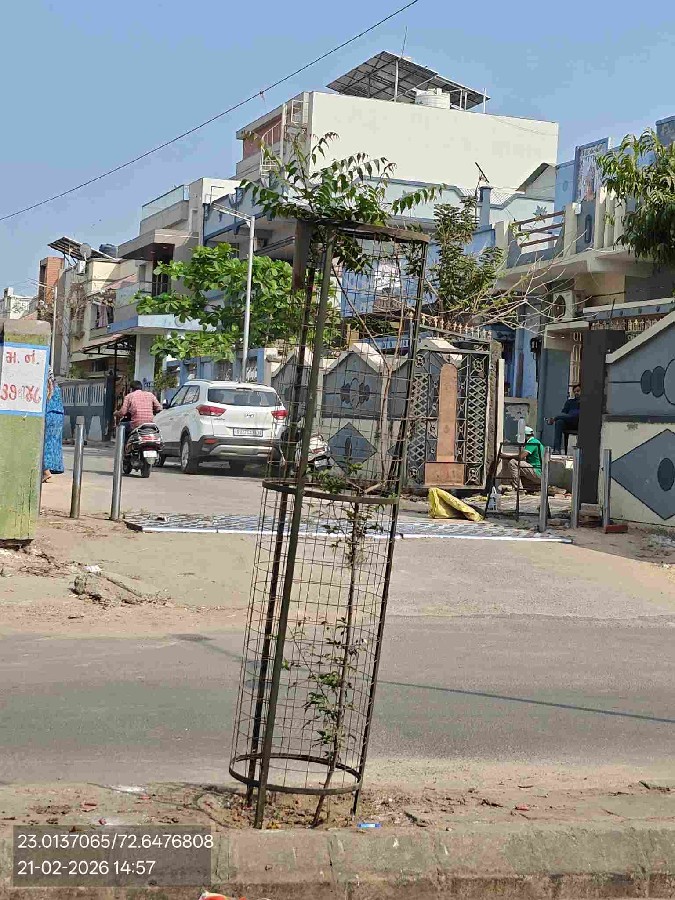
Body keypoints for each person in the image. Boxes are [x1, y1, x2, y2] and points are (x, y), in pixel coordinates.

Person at [506, 426, 545, 493]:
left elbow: (521, 456)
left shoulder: (532, 442)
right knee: (518, 468)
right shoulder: (535, 442)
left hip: (537, 471)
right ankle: (532, 487)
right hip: (539, 472)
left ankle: (519, 490)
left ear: (525, 436)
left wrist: (506, 456)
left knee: (513, 463)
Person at [43, 369, 65, 482]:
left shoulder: (46, 388)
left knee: (45, 443)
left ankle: (46, 471)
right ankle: (54, 467)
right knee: (54, 442)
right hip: (58, 417)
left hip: (48, 415)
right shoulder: (57, 388)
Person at [548, 385, 581, 454]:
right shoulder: (570, 402)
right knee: (559, 422)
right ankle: (557, 449)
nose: (576, 393)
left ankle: (554, 418)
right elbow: (563, 413)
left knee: (573, 415)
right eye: (575, 392)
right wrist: (562, 417)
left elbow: (577, 414)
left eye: (578, 391)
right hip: (569, 422)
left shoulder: (584, 402)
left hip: (579, 423)